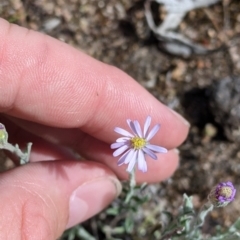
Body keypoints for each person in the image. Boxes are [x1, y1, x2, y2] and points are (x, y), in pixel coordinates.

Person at [0, 18, 189, 239]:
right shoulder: (130, 140)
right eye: (138, 140)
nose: (138, 141)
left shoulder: (137, 145)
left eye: (140, 141)